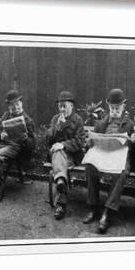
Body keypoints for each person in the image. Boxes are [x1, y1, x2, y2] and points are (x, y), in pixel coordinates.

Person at [82, 88, 135, 233]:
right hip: (103, 155)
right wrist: (90, 142)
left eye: (118, 108)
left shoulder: (129, 124)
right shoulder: (100, 123)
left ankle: (107, 211)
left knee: (122, 172)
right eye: (112, 107)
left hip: (120, 156)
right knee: (90, 166)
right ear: (108, 107)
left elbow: (132, 147)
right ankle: (93, 207)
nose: (115, 110)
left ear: (123, 107)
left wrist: (131, 141)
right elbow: (93, 143)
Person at [45, 91, 86, 220]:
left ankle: (61, 200)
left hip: (72, 156)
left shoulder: (78, 120)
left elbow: (80, 141)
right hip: (58, 157)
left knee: (59, 153)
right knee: (57, 153)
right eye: (60, 106)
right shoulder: (55, 119)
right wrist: (58, 127)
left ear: (71, 106)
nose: (62, 109)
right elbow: (47, 140)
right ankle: (61, 183)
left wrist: (63, 145)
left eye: (65, 106)